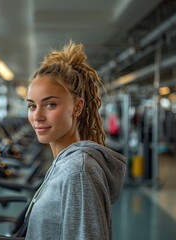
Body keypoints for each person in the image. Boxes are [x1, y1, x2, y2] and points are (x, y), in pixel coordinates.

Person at [24, 41, 126, 239]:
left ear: (77, 107)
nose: (37, 116)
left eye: (50, 104)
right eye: (31, 106)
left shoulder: (78, 172)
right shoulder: (64, 163)